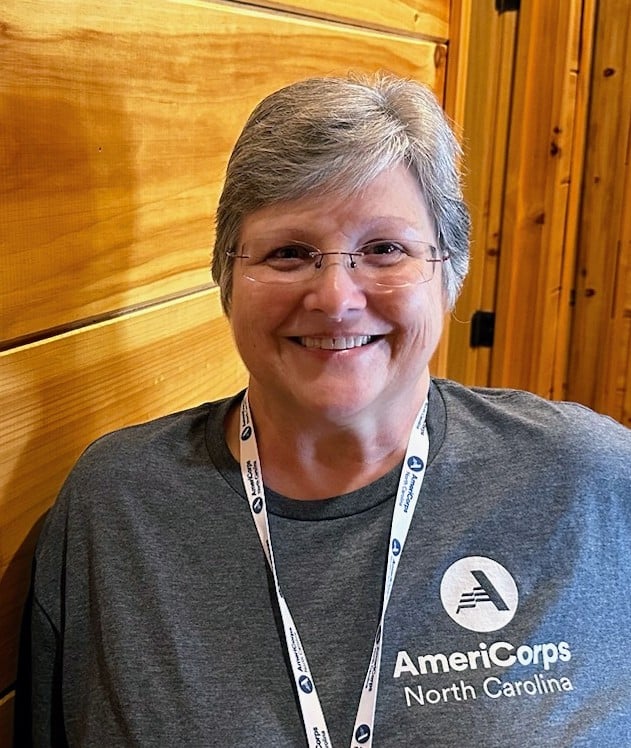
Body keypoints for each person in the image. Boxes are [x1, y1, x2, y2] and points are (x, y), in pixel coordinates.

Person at [21, 73, 631, 747]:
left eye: (384, 249)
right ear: (227, 277)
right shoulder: (119, 507)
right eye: (289, 253)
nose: (336, 298)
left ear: (448, 270)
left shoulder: (585, 480)